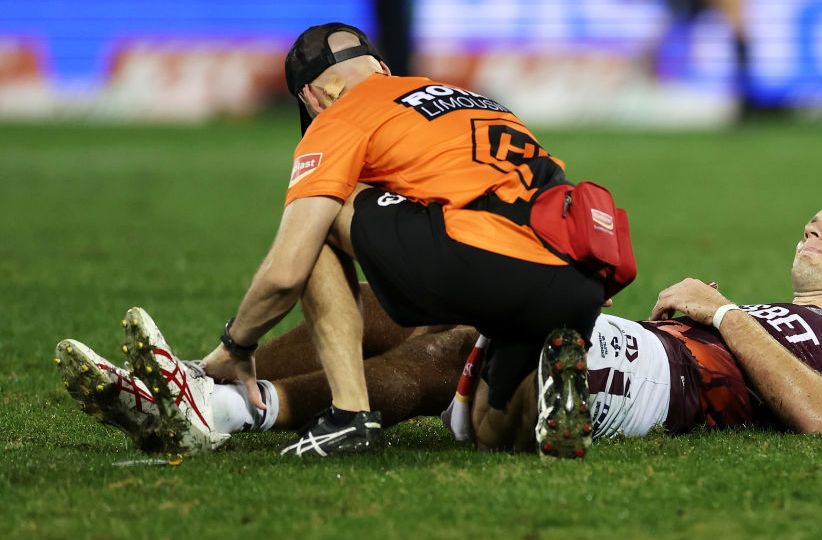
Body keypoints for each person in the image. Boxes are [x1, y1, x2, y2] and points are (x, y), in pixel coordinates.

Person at [57, 196, 822, 455]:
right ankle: (201, 387)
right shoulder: (763, 314)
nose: (814, 227)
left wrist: (722, 312)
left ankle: (216, 412)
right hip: (638, 348)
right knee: (406, 307)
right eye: (815, 219)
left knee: (452, 345)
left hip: (666, 384)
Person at [193, 23, 634, 458]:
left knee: (321, 215)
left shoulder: (341, 114)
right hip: (578, 275)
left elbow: (286, 274)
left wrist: (237, 345)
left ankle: (350, 417)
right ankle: (552, 385)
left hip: (496, 260)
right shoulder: (464, 97)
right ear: (381, 67)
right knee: (487, 429)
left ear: (311, 96)